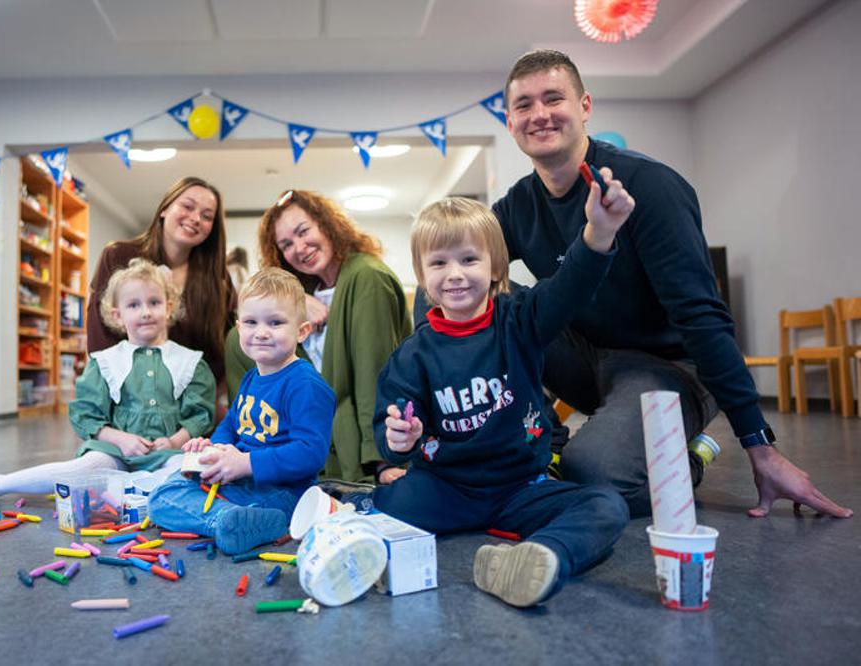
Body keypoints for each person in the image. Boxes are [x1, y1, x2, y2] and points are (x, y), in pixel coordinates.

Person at [492, 49, 851, 519]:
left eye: (553, 98)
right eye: (524, 105)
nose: (539, 114)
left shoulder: (648, 185)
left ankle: (692, 455)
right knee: (466, 289)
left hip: (668, 367)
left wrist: (759, 446)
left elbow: (701, 316)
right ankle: (547, 441)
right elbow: (456, 277)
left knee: (594, 474)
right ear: (510, 121)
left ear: (584, 106)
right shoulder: (516, 206)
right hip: (586, 360)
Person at [365, 196, 630, 608]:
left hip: (521, 489)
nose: (455, 274)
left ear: (495, 267)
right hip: (445, 489)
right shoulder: (411, 356)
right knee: (379, 507)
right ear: (422, 275)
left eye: (469, 259)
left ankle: (542, 556)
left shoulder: (521, 319)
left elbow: (569, 287)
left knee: (606, 505)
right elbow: (389, 424)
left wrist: (599, 233)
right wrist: (399, 439)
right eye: (439, 263)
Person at [0, 258, 216, 508]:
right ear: (117, 315)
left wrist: (174, 441)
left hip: (169, 453)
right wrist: (120, 439)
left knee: (192, 470)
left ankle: (124, 492)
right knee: (83, 468)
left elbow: (199, 416)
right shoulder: (106, 362)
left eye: (154, 302)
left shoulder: (189, 361)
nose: (145, 312)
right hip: (115, 452)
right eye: (134, 305)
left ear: (168, 307)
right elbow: (87, 415)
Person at [225, 190, 411, 484]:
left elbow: (373, 374)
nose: (300, 248)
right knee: (237, 339)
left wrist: (382, 460)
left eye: (303, 231)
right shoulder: (307, 293)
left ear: (327, 224)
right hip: (309, 449)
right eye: (286, 244)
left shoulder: (366, 277)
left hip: (353, 456)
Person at [149, 268, 336, 554]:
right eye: (250, 322)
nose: (261, 332)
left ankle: (234, 520)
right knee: (164, 493)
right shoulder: (252, 377)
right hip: (242, 481)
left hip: (285, 492)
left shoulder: (306, 385)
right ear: (239, 328)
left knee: (167, 501)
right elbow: (232, 424)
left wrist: (246, 463)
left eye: (275, 322)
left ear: (302, 331)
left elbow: (311, 453)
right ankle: (231, 520)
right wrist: (215, 449)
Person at [88, 177, 235, 400]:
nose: (195, 218)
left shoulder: (217, 278)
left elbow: (222, 345)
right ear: (164, 209)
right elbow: (100, 334)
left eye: (207, 216)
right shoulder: (118, 256)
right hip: (125, 399)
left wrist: (206, 400)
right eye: (187, 206)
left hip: (191, 401)